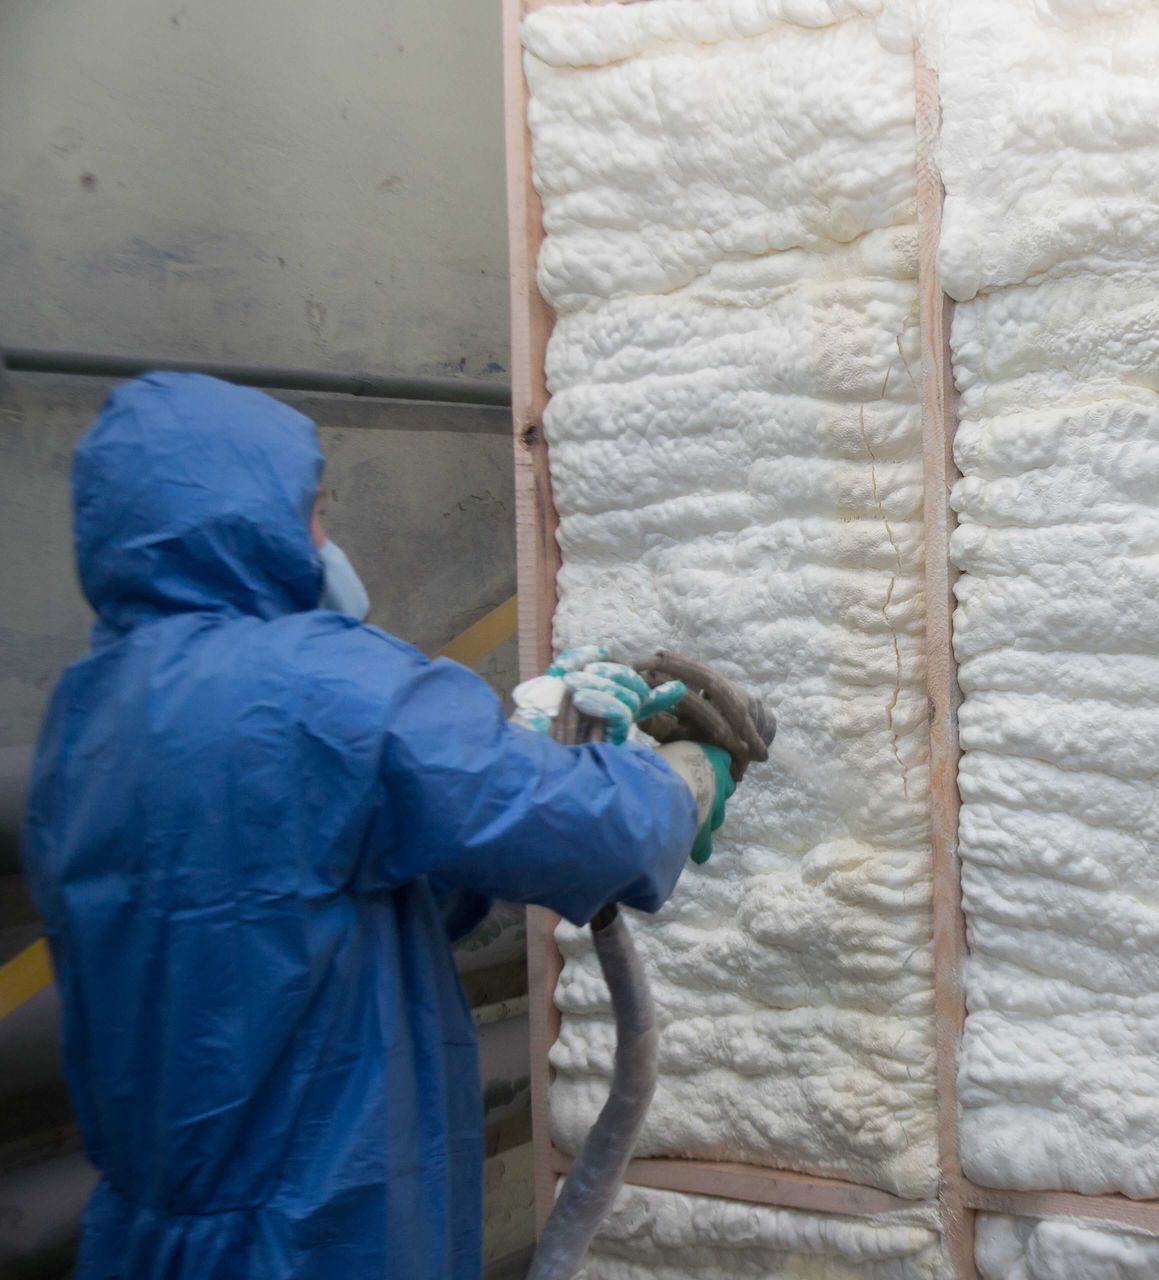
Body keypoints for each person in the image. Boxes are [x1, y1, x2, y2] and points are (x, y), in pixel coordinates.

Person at [21, 373, 738, 1280]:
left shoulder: (86, 715)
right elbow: (596, 832)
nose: (326, 540)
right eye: (314, 513)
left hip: (145, 1241)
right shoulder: (317, 683)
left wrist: (516, 748)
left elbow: (306, 914)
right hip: (316, 1235)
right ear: (252, 524)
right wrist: (676, 784)